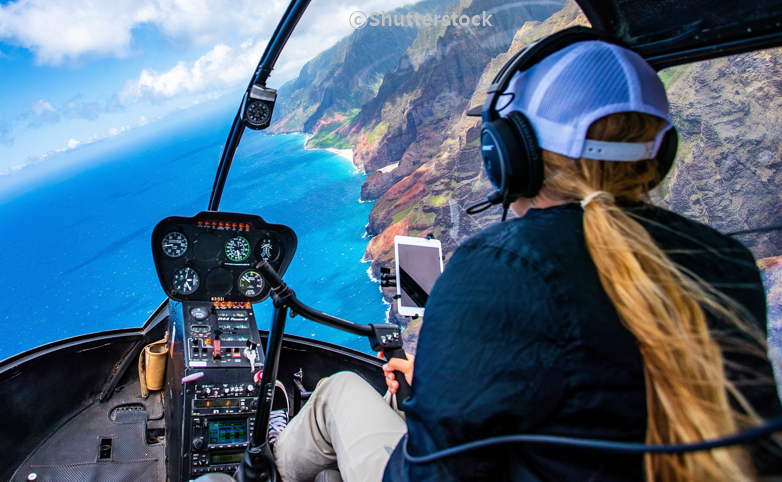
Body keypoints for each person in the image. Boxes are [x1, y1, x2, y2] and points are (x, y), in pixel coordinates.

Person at [270, 39, 782, 482]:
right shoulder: (727, 263)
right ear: (660, 156)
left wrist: (428, 400)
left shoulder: (496, 271)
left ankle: (266, 461)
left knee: (335, 395)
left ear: (511, 157)